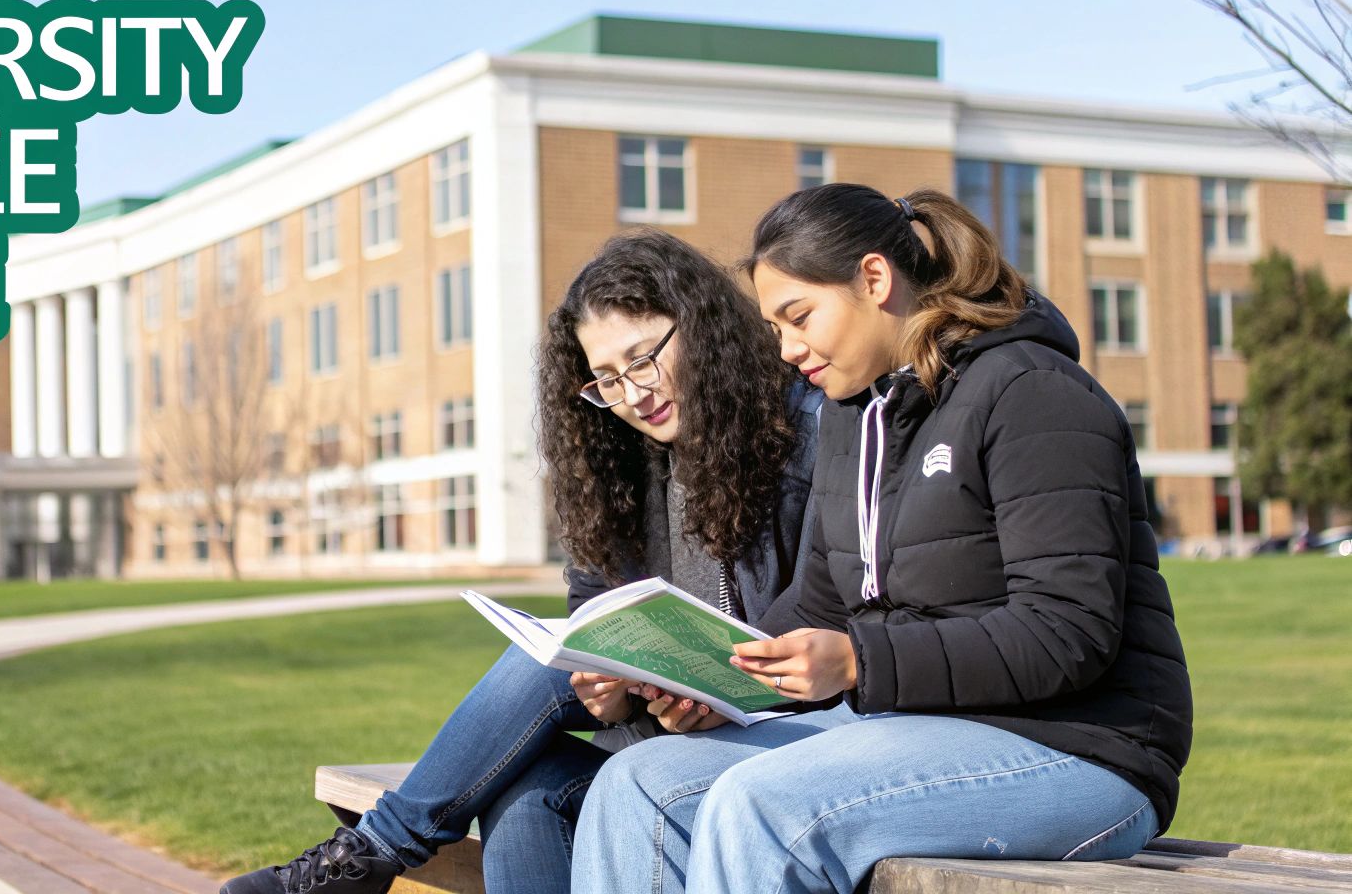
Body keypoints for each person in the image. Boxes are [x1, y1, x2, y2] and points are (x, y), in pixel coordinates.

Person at [572, 185, 1193, 894]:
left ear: (874, 279)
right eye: (775, 326)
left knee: (763, 809)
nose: (786, 348)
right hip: (906, 733)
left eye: (798, 316)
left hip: (1081, 751)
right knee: (635, 783)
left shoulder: (1035, 394)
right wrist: (718, 682)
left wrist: (860, 663)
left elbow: (1066, 632)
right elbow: (823, 602)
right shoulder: (852, 416)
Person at [221, 229, 822, 894]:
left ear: (700, 324)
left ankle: (370, 855)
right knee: (529, 774)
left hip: (780, 747)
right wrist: (612, 693)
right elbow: (594, 621)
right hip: (662, 745)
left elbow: (827, 614)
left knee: (533, 669)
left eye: (642, 358)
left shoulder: (800, 438)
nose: (634, 394)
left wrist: (720, 688)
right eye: (609, 380)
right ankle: (366, 858)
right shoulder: (624, 467)